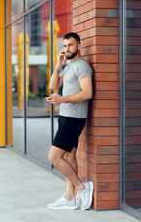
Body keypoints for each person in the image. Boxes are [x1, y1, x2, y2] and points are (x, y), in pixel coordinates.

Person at [45, 32, 93, 211]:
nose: (67, 49)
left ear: (79, 45)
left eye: (71, 45)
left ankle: (81, 188)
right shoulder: (69, 66)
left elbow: (87, 93)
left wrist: (61, 100)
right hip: (66, 115)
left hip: (74, 118)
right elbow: (52, 86)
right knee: (68, 156)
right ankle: (69, 197)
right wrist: (58, 66)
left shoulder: (82, 65)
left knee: (54, 156)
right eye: (65, 46)